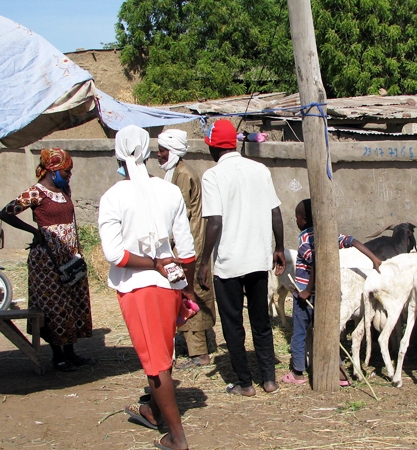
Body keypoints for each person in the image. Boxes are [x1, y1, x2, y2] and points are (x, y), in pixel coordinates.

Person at [99, 125, 195, 450]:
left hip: (139, 289)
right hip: (171, 286)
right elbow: (187, 250)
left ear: (118, 153)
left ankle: (177, 436)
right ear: (148, 152)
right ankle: (153, 411)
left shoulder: (113, 196)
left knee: (155, 363)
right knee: (162, 352)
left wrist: (152, 264)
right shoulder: (169, 191)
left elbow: (114, 254)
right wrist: (188, 288)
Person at [197, 118, 285, 397]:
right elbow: (275, 212)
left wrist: (203, 261)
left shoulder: (213, 176)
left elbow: (214, 222)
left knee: (233, 325)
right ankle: (269, 380)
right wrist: (279, 247)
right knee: (261, 321)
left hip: (228, 265)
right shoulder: (260, 170)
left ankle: (245, 384)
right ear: (233, 143)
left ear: (213, 147)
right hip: (258, 259)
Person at [0, 148, 93, 372]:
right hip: (47, 260)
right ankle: (57, 356)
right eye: (65, 171)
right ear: (52, 170)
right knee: (54, 306)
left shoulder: (64, 190)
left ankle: (71, 352)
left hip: (69, 256)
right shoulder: (36, 193)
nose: (69, 175)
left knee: (73, 303)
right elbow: (5, 213)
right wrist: (35, 232)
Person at [281, 199, 381, 385]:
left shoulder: (304, 240)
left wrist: (307, 290)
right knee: (329, 334)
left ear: (302, 219)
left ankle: (297, 373)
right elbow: (352, 240)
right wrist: (374, 258)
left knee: (300, 334)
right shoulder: (329, 235)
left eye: (296, 217)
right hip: (327, 297)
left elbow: (316, 262)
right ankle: (339, 374)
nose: (296, 221)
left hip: (306, 298)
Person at [157, 128, 217, 369]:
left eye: (162, 151)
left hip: (189, 240)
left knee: (189, 290)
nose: (159, 155)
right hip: (188, 239)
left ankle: (199, 353)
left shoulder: (182, 174)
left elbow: (177, 211)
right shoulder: (177, 172)